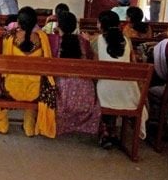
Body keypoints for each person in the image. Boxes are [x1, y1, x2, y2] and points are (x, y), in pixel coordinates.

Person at [0, 6, 54, 137]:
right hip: (35, 91)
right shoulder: (42, 38)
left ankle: (2, 125)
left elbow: (3, 65)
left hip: (12, 89)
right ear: (35, 23)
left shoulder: (9, 38)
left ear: (18, 22)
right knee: (34, 82)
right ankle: (29, 127)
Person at [92, 10, 147, 148]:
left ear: (101, 25)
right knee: (116, 86)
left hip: (105, 94)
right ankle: (112, 130)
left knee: (102, 85)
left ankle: (106, 130)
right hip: (129, 94)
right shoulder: (127, 41)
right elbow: (133, 65)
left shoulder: (96, 41)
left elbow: (95, 69)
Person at [48, 12, 100, 136]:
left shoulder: (54, 40)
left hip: (63, 90)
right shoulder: (83, 41)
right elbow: (92, 58)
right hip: (85, 92)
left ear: (58, 26)